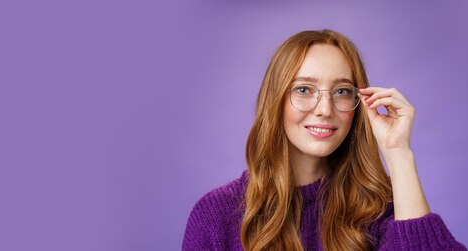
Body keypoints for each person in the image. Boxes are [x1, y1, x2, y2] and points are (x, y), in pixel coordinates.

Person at [182, 29, 467, 251]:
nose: (325, 109)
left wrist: (399, 153)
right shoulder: (216, 216)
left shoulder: (381, 212)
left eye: (342, 91)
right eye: (304, 89)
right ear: (275, 101)